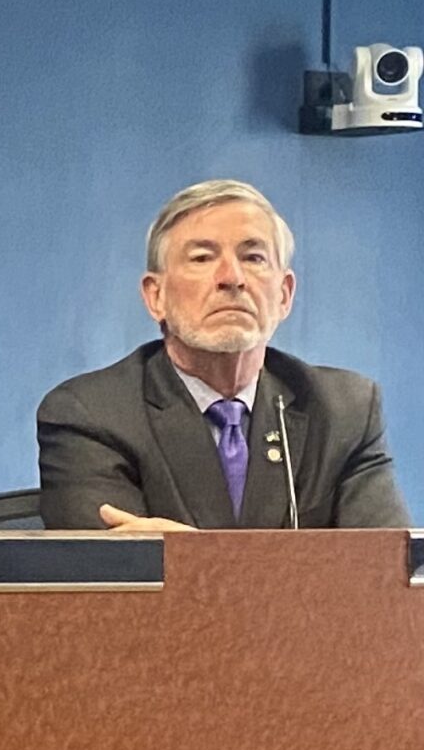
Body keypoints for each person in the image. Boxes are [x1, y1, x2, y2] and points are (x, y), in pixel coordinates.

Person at [37, 179, 405, 531]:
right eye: (202, 258)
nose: (232, 278)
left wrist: (189, 555)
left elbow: (386, 576)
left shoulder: (345, 411)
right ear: (156, 296)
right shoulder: (91, 414)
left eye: (254, 257)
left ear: (284, 295)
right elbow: (115, 583)